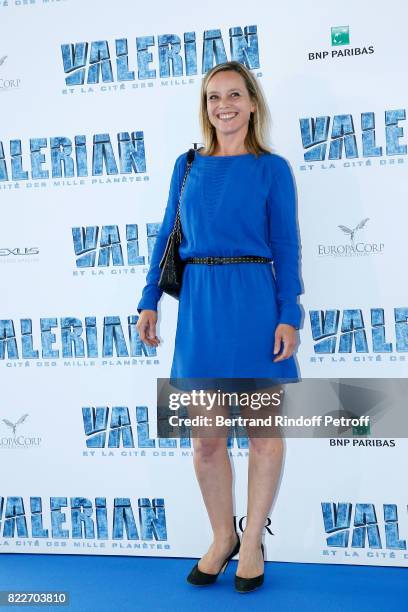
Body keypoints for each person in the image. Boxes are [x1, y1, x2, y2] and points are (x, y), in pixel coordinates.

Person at [136, 60, 302, 593]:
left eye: (234, 95)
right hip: (201, 310)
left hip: (255, 307)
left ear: (253, 103)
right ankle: (221, 536)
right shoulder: (186, 167)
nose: (223, 105)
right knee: (206, 441)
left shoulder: (272, 169)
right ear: (205, 108)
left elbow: (286, 248)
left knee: (262, 436)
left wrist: (288, 315)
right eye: (213, 97)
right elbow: (166, 237)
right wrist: (147, 301)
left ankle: (252, 540)